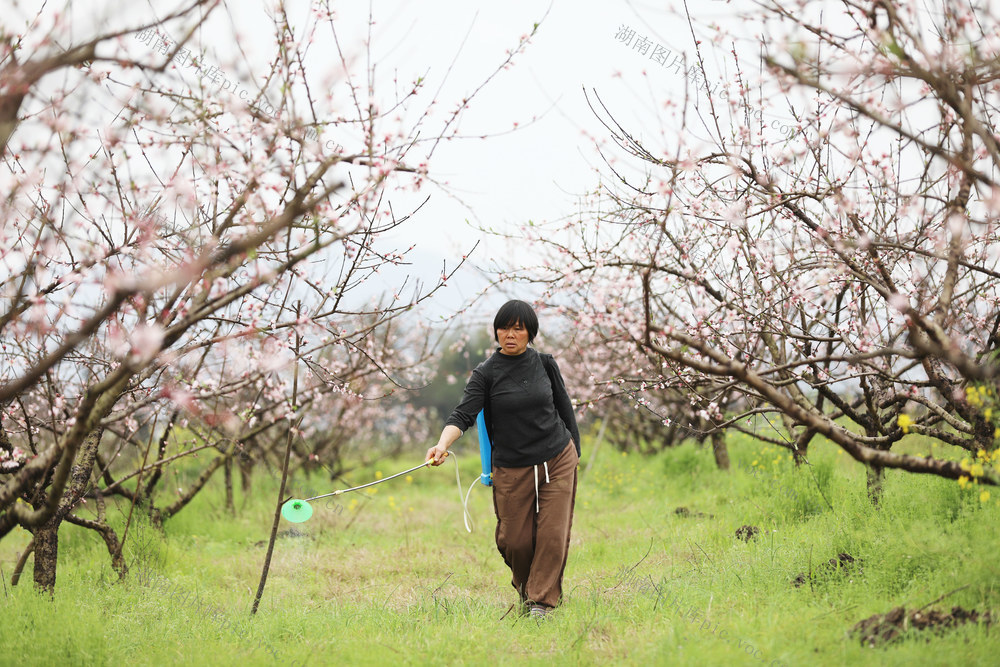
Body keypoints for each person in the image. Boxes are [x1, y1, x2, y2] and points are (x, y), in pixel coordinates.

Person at [425, 300, 581, 620]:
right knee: (515, 541)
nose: (510, 334)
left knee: (552, 535)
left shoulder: (545, 364)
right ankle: (528, 592)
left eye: (518, 328)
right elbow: (463, 414)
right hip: (512, 466)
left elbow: (565, 410)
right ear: (496, 331)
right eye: (504, 327)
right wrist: (442, 444)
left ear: (529, 333)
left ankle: (542, 603)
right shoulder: (486, 373)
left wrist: (574, 451)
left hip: (556, 457)